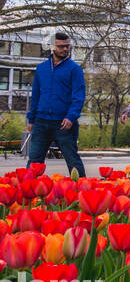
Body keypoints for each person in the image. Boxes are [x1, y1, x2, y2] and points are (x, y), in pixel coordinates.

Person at [25, 31, 87, 178]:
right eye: (61, 46)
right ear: (52, 47)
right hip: (41, 122)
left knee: (73, 160)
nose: (65, 49)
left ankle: (83, 192)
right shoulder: (41, 68)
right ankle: (25, 192)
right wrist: (31, 119)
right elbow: (36, 95)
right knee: (34, 161)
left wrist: (71, 117)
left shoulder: (74, 69)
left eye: (67, 46)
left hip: (64, 123)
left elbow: (78, 96)